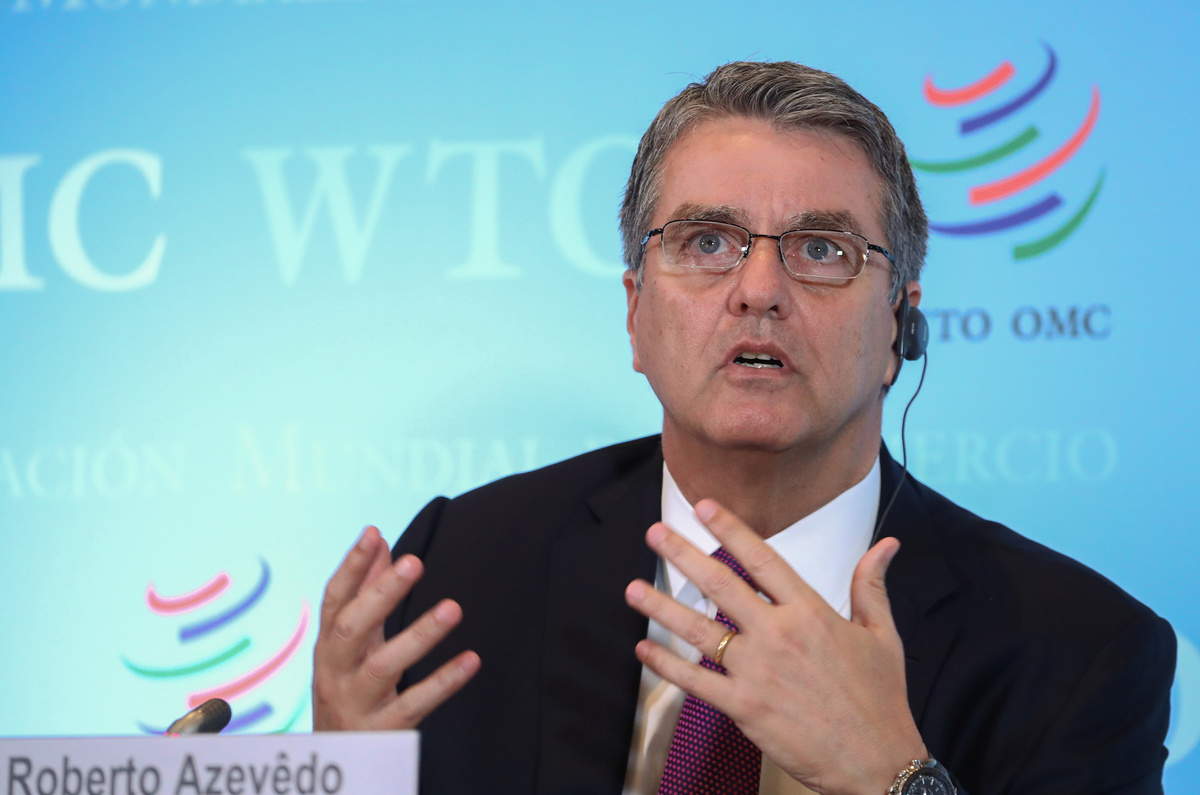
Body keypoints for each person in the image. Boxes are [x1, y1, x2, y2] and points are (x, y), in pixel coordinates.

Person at [310, 61, 1176, 794]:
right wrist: (341, 778)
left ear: (898, 327)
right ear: (635, 312)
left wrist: (895, 777)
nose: (758, 290)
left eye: (822, 249)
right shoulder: (462, 570)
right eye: (708, 241)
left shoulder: (1081, 653)